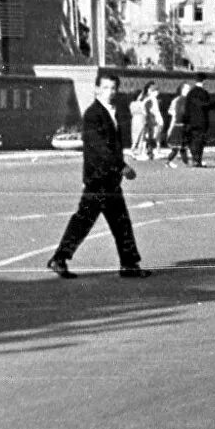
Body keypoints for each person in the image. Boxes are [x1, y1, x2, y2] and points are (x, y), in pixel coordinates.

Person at [48, 71, 149, 279]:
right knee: (87, 220)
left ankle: (129, 264)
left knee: (118, 222)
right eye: (105, 88)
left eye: (113, 88)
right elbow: (101, 148)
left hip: (108, 179)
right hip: (99, 178)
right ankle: (60, 258)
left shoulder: (111, 111)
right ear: (96, 89)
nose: (110, 92)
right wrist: (122, 166)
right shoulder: (93, 114)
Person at [180, 75, 212, 167]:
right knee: (200, 141)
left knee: (193, 140)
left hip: (191, 121)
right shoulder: (204, 93)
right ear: (204, 81)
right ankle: (198, 160)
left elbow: (186, 108)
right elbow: (207, 105)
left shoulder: (190, 93)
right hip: (202, 121)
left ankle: (195, 159)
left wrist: (185, 120)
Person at [132, 84, 162, 161]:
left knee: (149, 136)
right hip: (151, 119)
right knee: (150, 136)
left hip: (150, 119)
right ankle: (147, 152)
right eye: (156, 91)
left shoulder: (149, 99)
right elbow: (155, 110)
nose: (157, 93)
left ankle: (149, 152)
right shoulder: (151, 99)